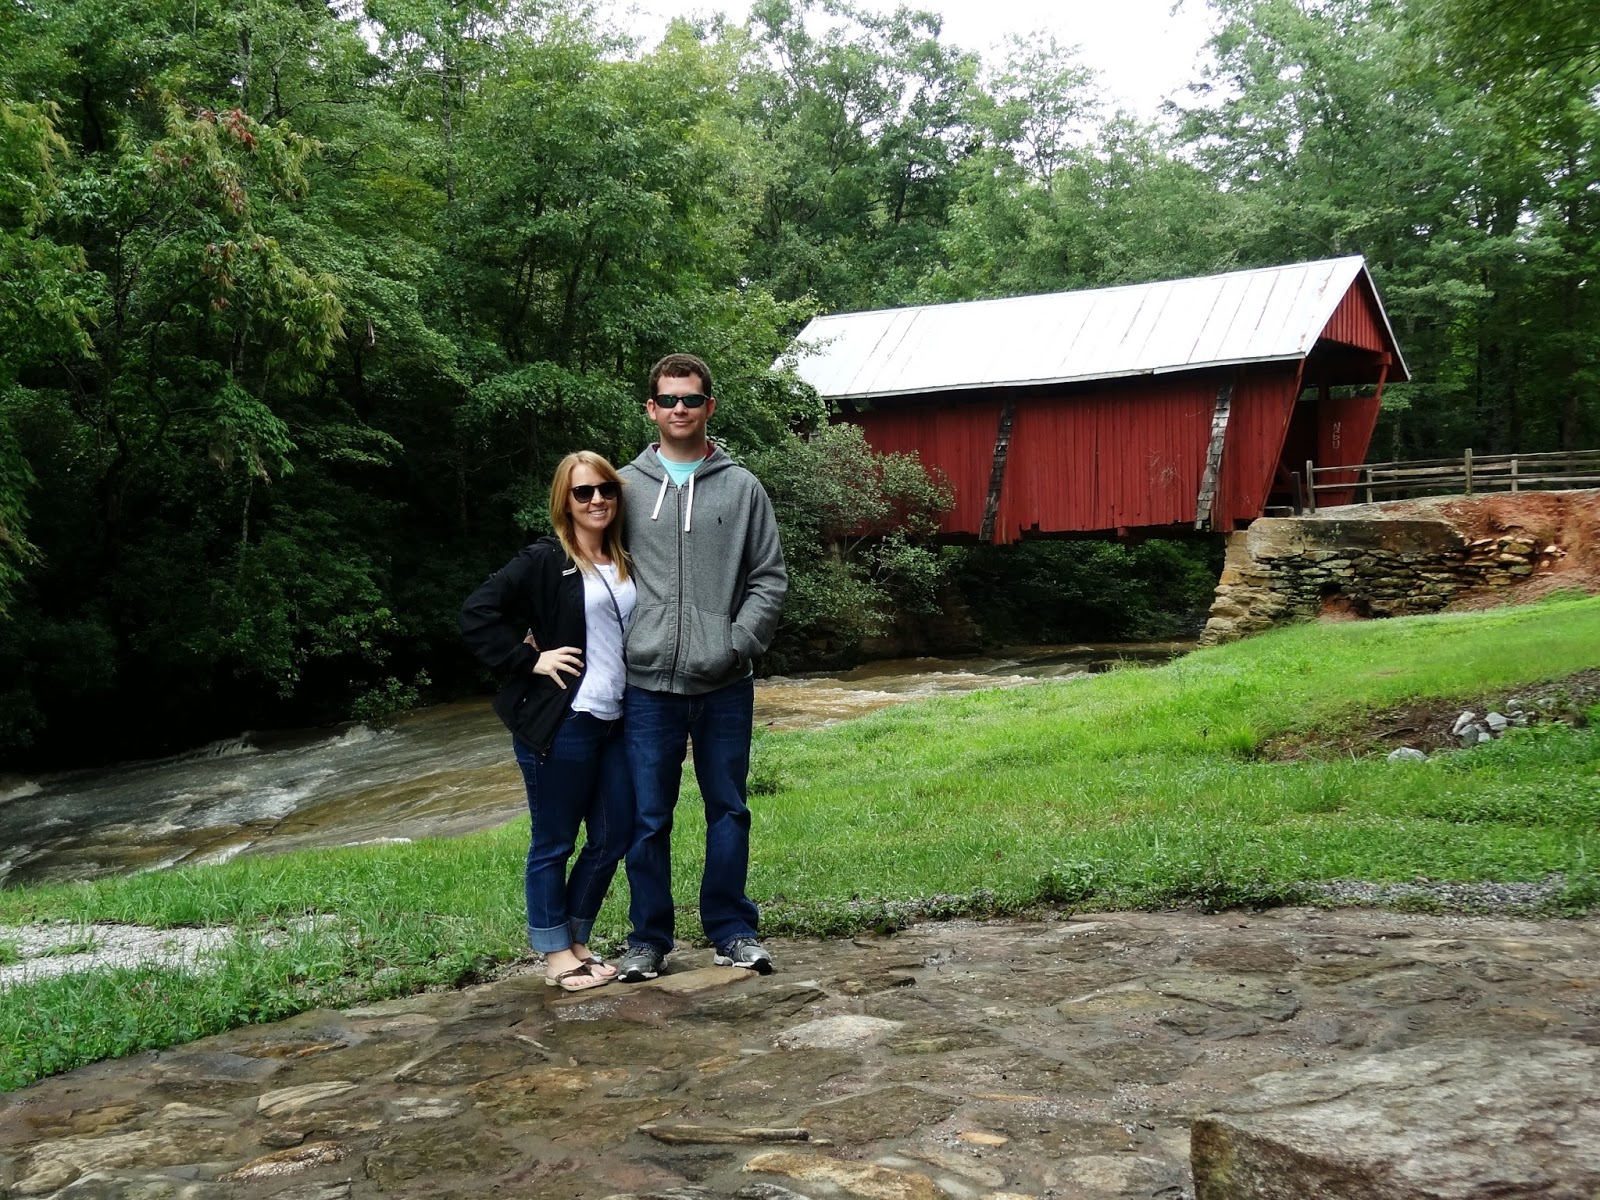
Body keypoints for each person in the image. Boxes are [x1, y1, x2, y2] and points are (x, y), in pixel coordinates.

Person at [614, 353, 788, 982]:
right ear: (651, 409)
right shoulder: (623, 487)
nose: (680, 409)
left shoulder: (742, 488)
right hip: (647, 683)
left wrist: (737, 644)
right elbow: (593, 568)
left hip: (725, 682)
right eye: (669, 399)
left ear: (709, 406)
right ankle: (647, 939)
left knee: (729, 809)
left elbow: (768, 577)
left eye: (691, 399)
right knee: (646, 818)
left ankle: (732, 930)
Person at [460, 451, 637, 993]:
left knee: (614, 833)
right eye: (583, 492)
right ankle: (555, 953)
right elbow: (476, 612)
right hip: (564, 720)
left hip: (616, 718)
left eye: (605, 488)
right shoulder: (546, 558)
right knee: (554, 841)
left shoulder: (624, 556)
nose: (597, 500)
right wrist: (528, 658)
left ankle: (577, 939)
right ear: (565, 500)